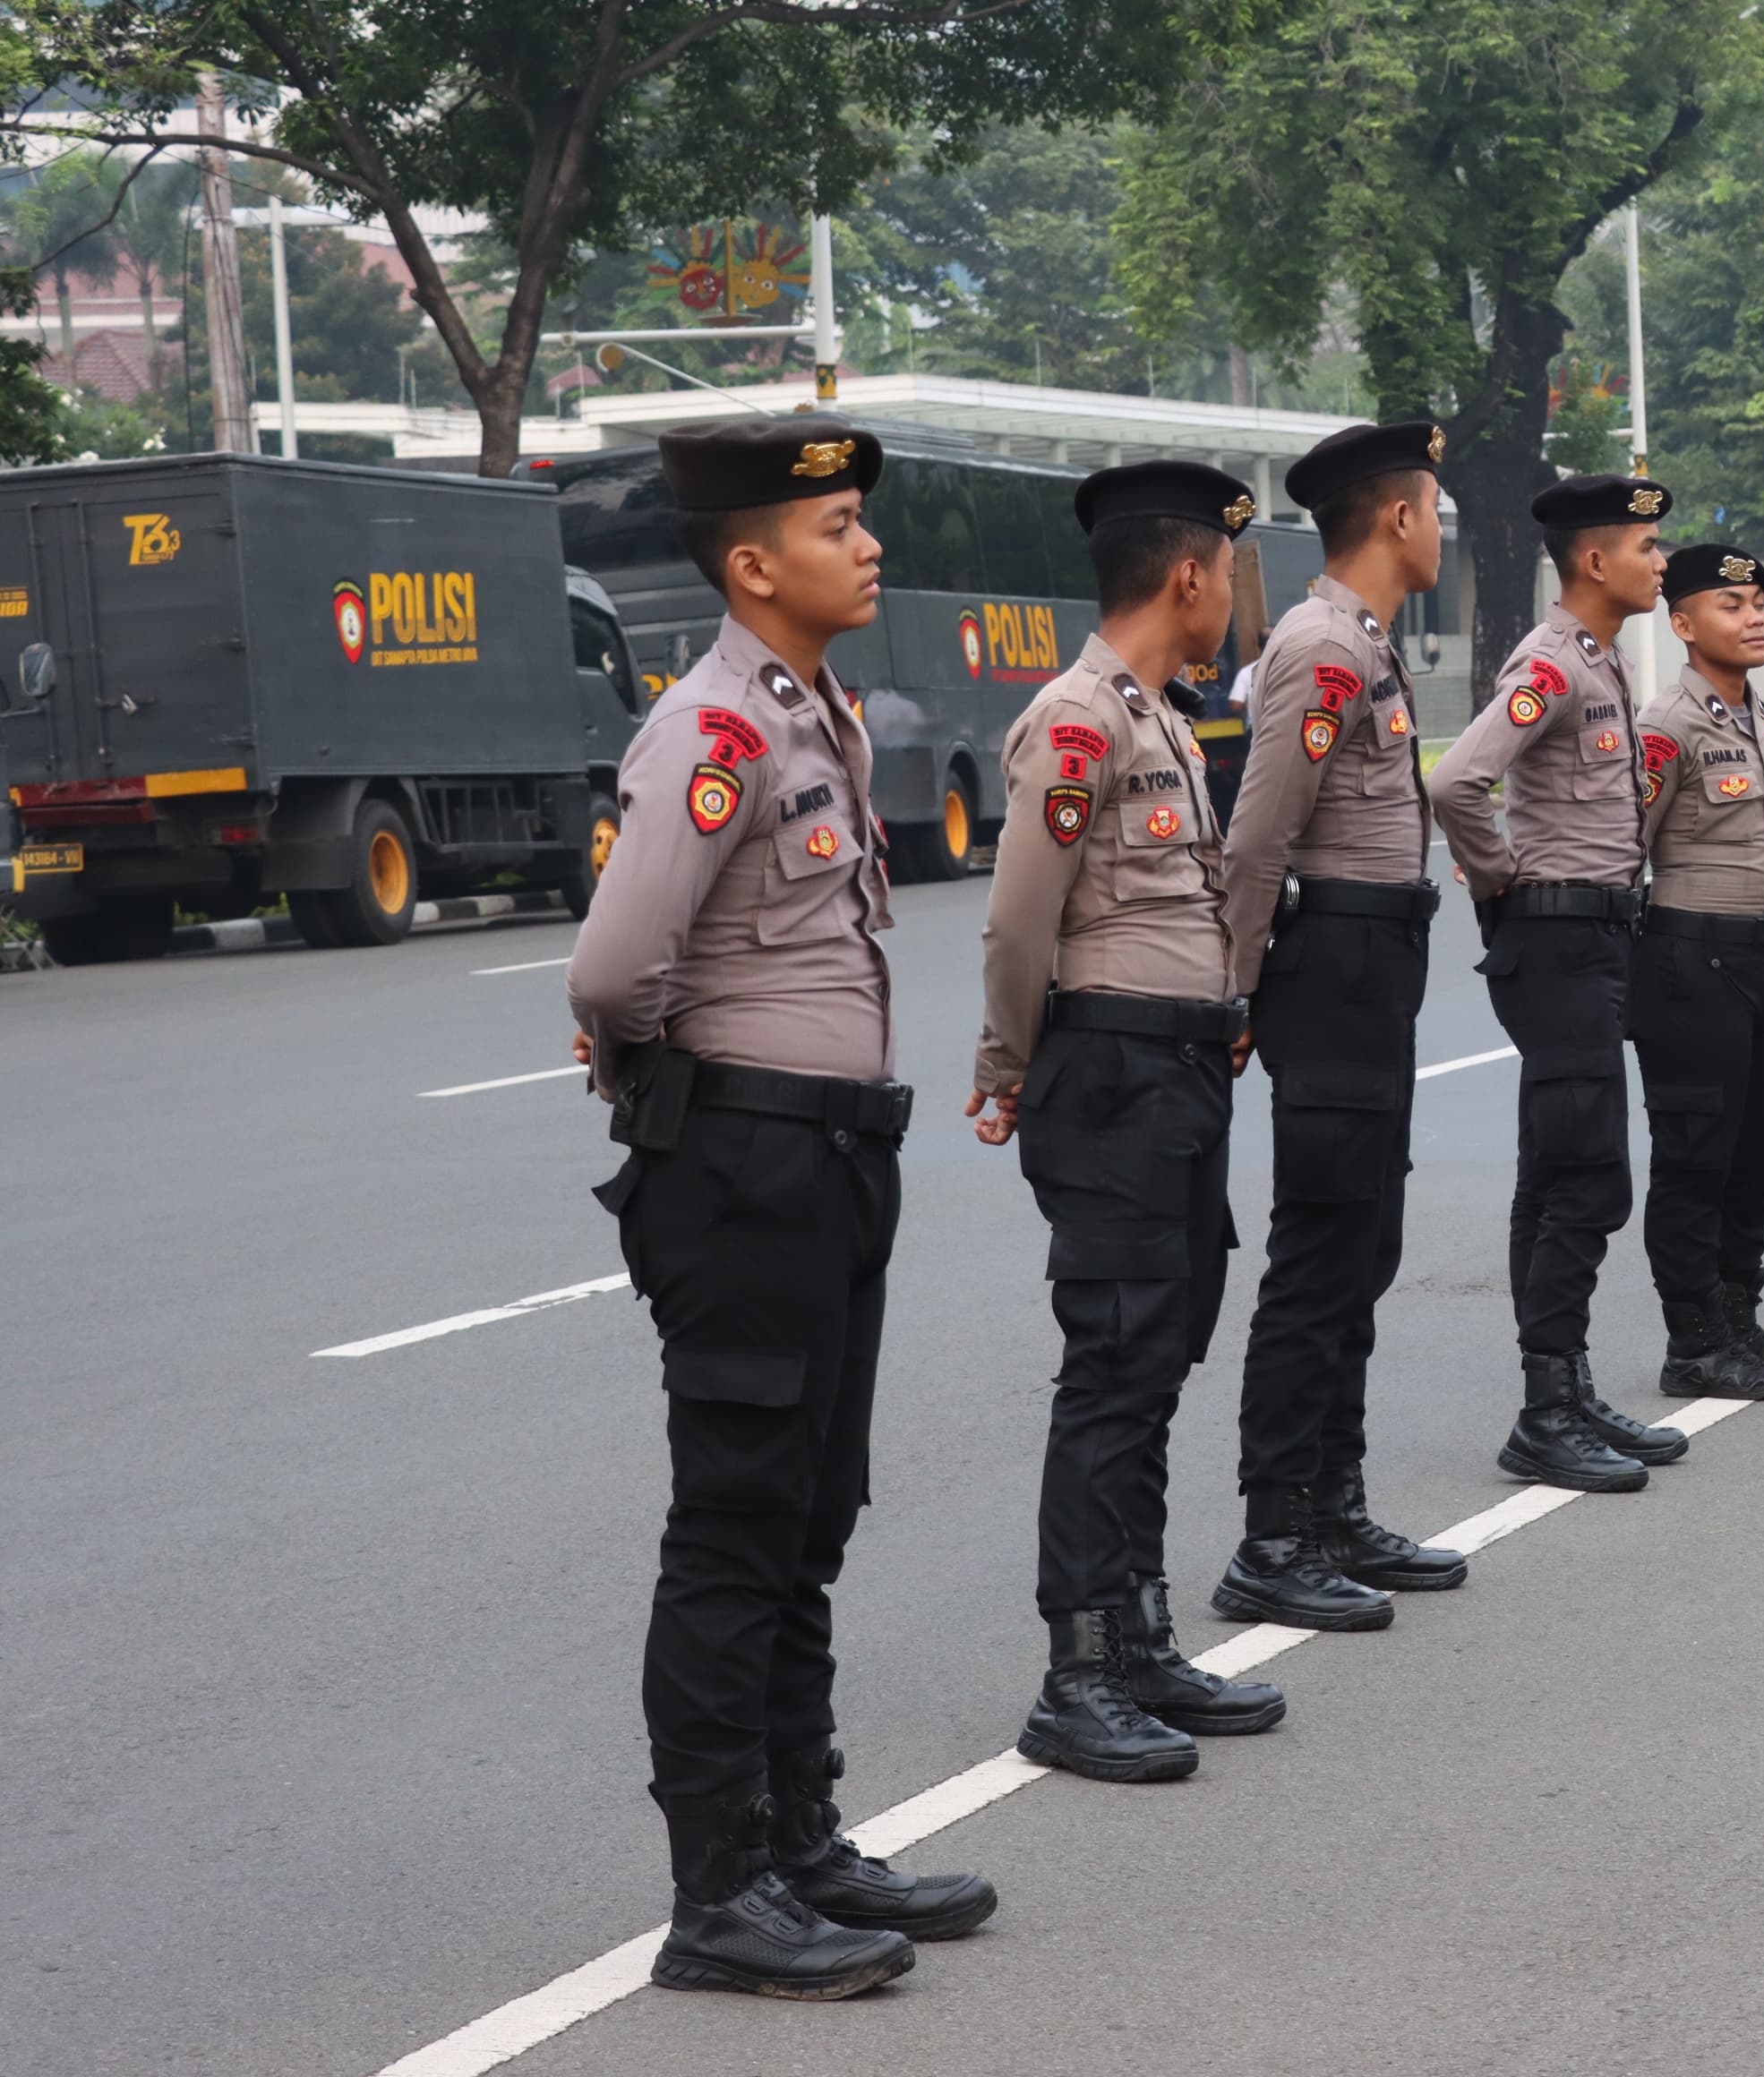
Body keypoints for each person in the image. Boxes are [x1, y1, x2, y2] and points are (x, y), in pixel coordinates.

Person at [568, 418, 993, 2001]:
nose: (868, 545)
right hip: (744, 1166)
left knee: (808, 1513)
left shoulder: (816, 710)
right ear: (754, 564)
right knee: (739, 1527)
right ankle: (720, 1892)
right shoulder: (717, 730)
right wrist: (653, 1072)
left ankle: (804, 1842)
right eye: (835, 526)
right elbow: (615, 970)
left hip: (822, 1160)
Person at [972, 459, 1287, 1785]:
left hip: (1174, 1076)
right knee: (1112, 1362)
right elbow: (1017, 920)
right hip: (1106, 1074)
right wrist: (1007, 1059)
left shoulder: (1156, 717)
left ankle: (1142, 1633)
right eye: (1229, 569)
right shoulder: (1080, 722)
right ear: (1188, 577)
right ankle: (1079, 1666)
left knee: (1156, 1356)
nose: (1233, 594)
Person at [1210, 420, 1467, 1634]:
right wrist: (1241, 987)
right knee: (1321, 1246)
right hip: (1332, 967)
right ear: (1398, 519)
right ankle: (1273, 1530)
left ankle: (1334, 1500)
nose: (1443, 526)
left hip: (1376, 962)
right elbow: (1260, 838)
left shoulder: (1361, 643)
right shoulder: (1321, 648)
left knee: (1364, 1236)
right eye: (1435, 506)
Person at [1425, 474, 1690, 1492]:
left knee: (1560, 1165)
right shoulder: (1550, 664)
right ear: (1594, 560)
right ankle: (1545, 1406)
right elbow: (1456, 781)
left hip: (1592, 940)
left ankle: (1563, 1385)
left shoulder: (1600, 661)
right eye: (1647, 545)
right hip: (1558, 939)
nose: (1659, 561)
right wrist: (1502, 882)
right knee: (1585, 1170)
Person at [1628, 544, 1764, 1401]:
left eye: (1758, 604)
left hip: (1762, 957)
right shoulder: (1666, 725)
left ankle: (1738, 1313)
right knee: (1696, 1154)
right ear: (1681, 624)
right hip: (1689, 960)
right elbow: (1622, 847)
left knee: (1763, 1146)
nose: (1754, 619)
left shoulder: (1758, 719)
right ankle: (1694, 1342)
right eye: (1731, 605)